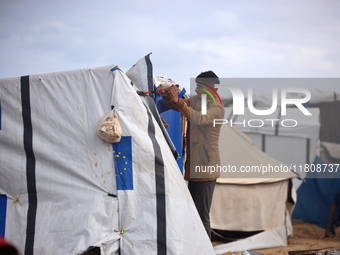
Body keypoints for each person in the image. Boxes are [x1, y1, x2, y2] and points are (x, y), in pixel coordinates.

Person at [156, 71, 225, 239]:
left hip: (206, 168)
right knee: (194, 215)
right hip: (195, 167)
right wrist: (167, 97)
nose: (196, 89)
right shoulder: (198, 101)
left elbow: (198, 118)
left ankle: (205, 250)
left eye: (199, 86)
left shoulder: (216, 108)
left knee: (202, 217)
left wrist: (178, 102)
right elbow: (177, 105)